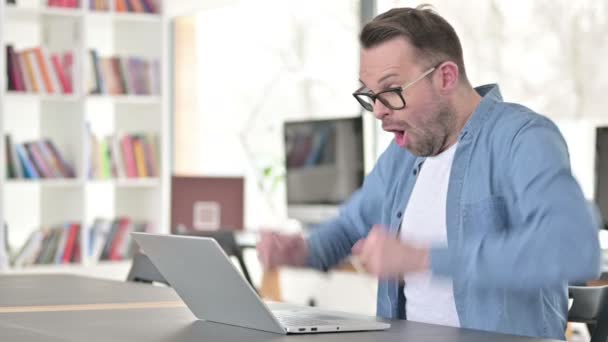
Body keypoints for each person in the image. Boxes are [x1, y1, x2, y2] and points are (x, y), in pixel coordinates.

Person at [257, 5, 600, 340]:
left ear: (445, 78)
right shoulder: (403, 154)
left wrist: (422, 257)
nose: (378, 111)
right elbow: (349, 225)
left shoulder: (521, 137)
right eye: (370, 95)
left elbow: (573, 246)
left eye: (390, 91)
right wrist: (303, 251)